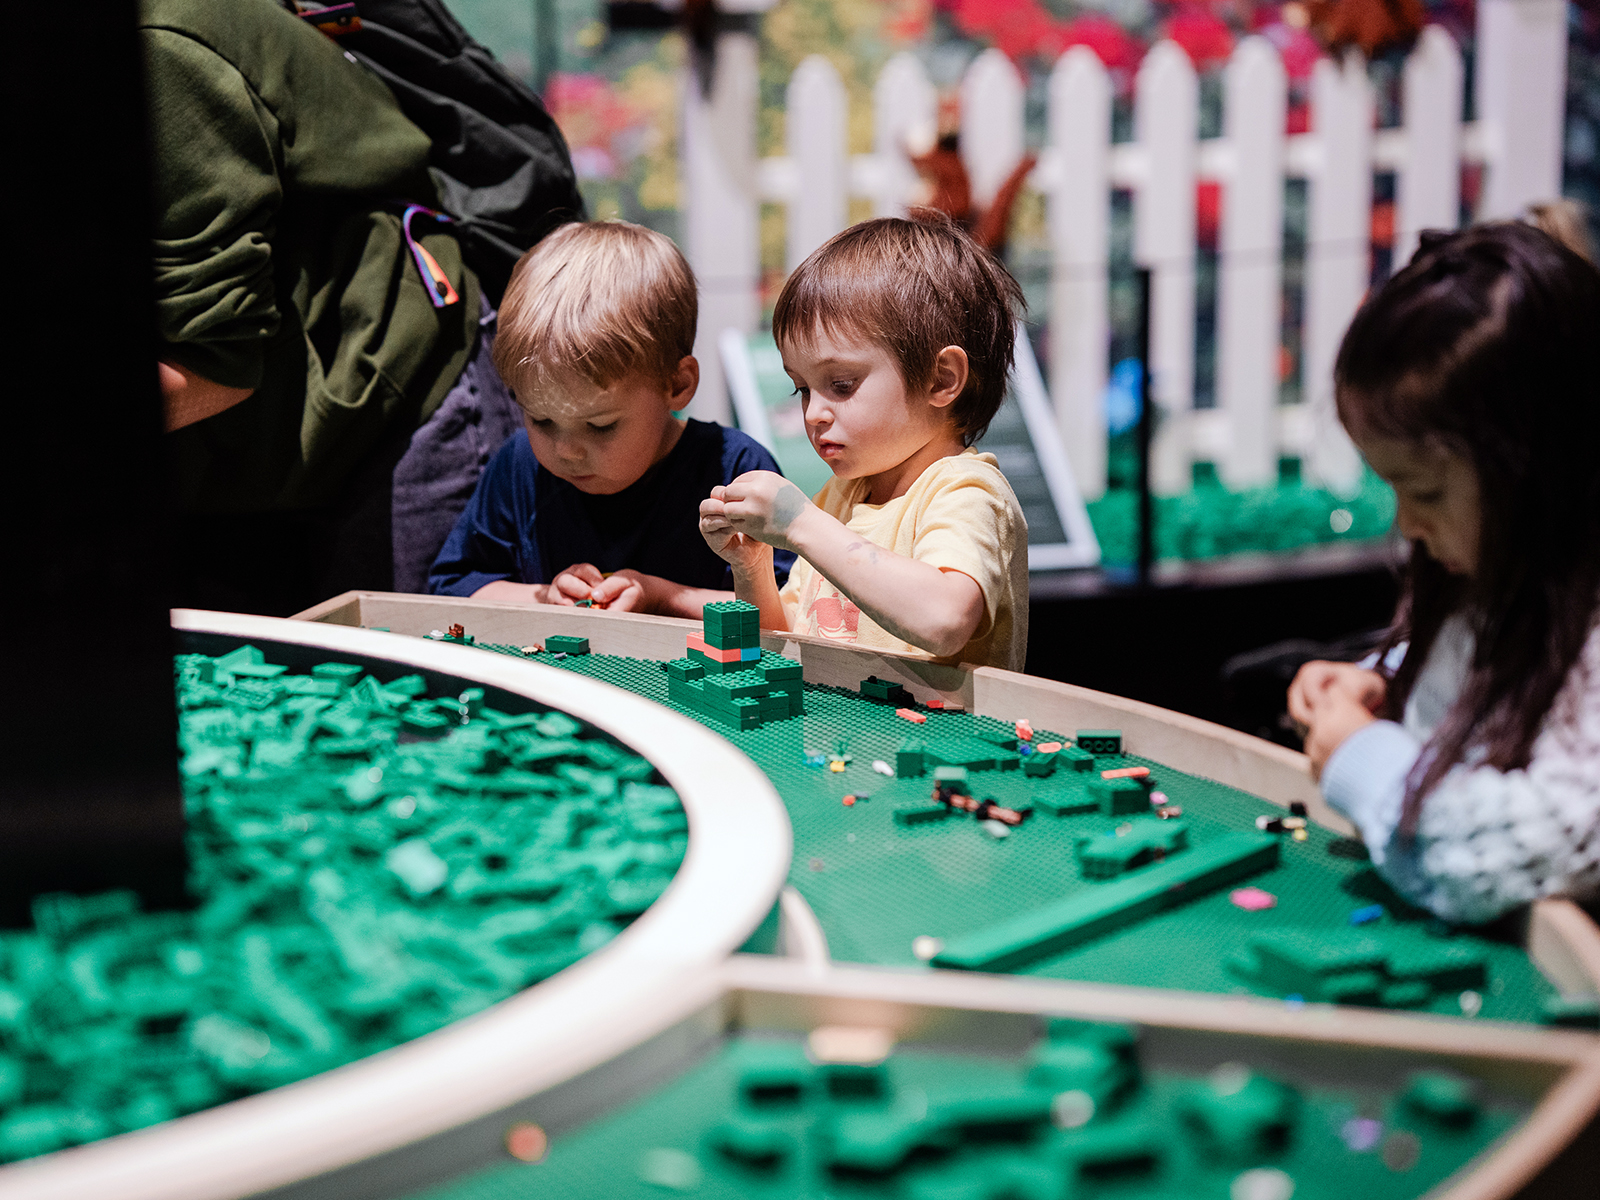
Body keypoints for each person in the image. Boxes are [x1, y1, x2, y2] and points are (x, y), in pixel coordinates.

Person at [146, 0, 580, 614]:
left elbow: (213, 362)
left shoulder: (166, 49)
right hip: (254, 464)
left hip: (398, 400)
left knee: (434, 695)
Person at [1289, 221, 1600, 925]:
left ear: (1538, 467)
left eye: (1426, 492)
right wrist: (1385, 681)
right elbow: (1484, 665)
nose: (1407, 526)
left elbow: (1490, 857)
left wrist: (1363, 756)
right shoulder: (1495, 576)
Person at [698, 215, 1029, 671]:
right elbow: (786, 646)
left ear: (941, 379)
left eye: (841, 383)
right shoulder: (839, 498)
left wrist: (799, 525)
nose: (813, 412)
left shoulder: (965, 491)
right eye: (802, 389)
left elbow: (946, 619)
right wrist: (752, 565)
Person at [428, 221, 794, 614]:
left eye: (600, 425)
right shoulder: (518, 467)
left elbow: (792, 607)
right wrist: (547, 599)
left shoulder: (735, 470)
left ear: (677, 384)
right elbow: (451, 589)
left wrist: (661, 597)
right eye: (540, 420)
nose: (566, 450)